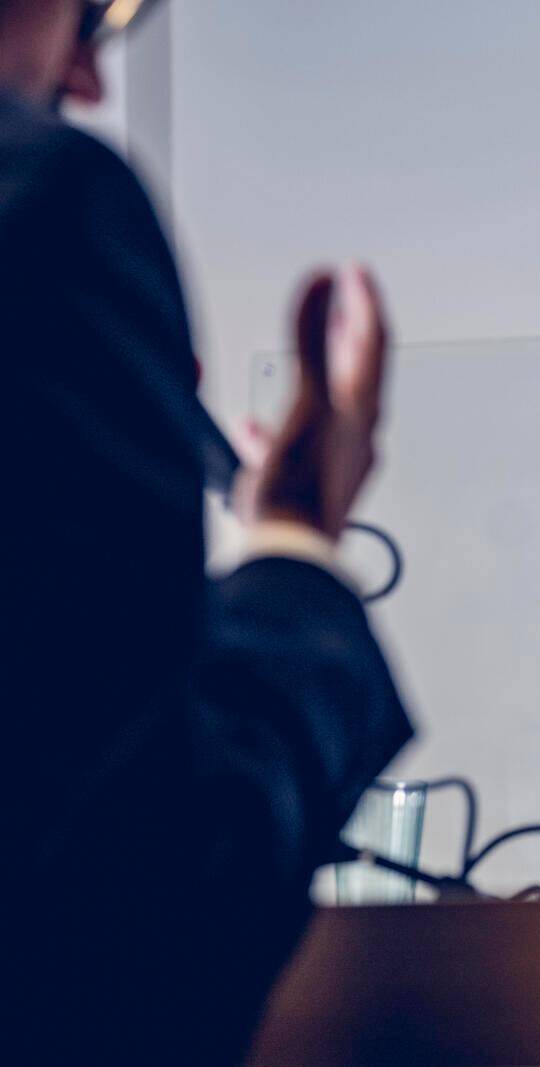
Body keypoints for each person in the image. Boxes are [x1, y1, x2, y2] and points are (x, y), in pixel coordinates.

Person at [4, 2, 410, 1062]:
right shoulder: (48, 204)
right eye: (90, 21)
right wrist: (296, 545)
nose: (89, 82)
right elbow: (142, 925)